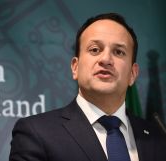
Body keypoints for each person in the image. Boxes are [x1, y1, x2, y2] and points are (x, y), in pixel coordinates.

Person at [9, 13, 166, 161]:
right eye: (95, 50)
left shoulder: (158, 138)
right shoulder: (36, 132)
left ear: (133, 74)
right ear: (75, 67)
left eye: (118, 52)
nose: (106, 59)